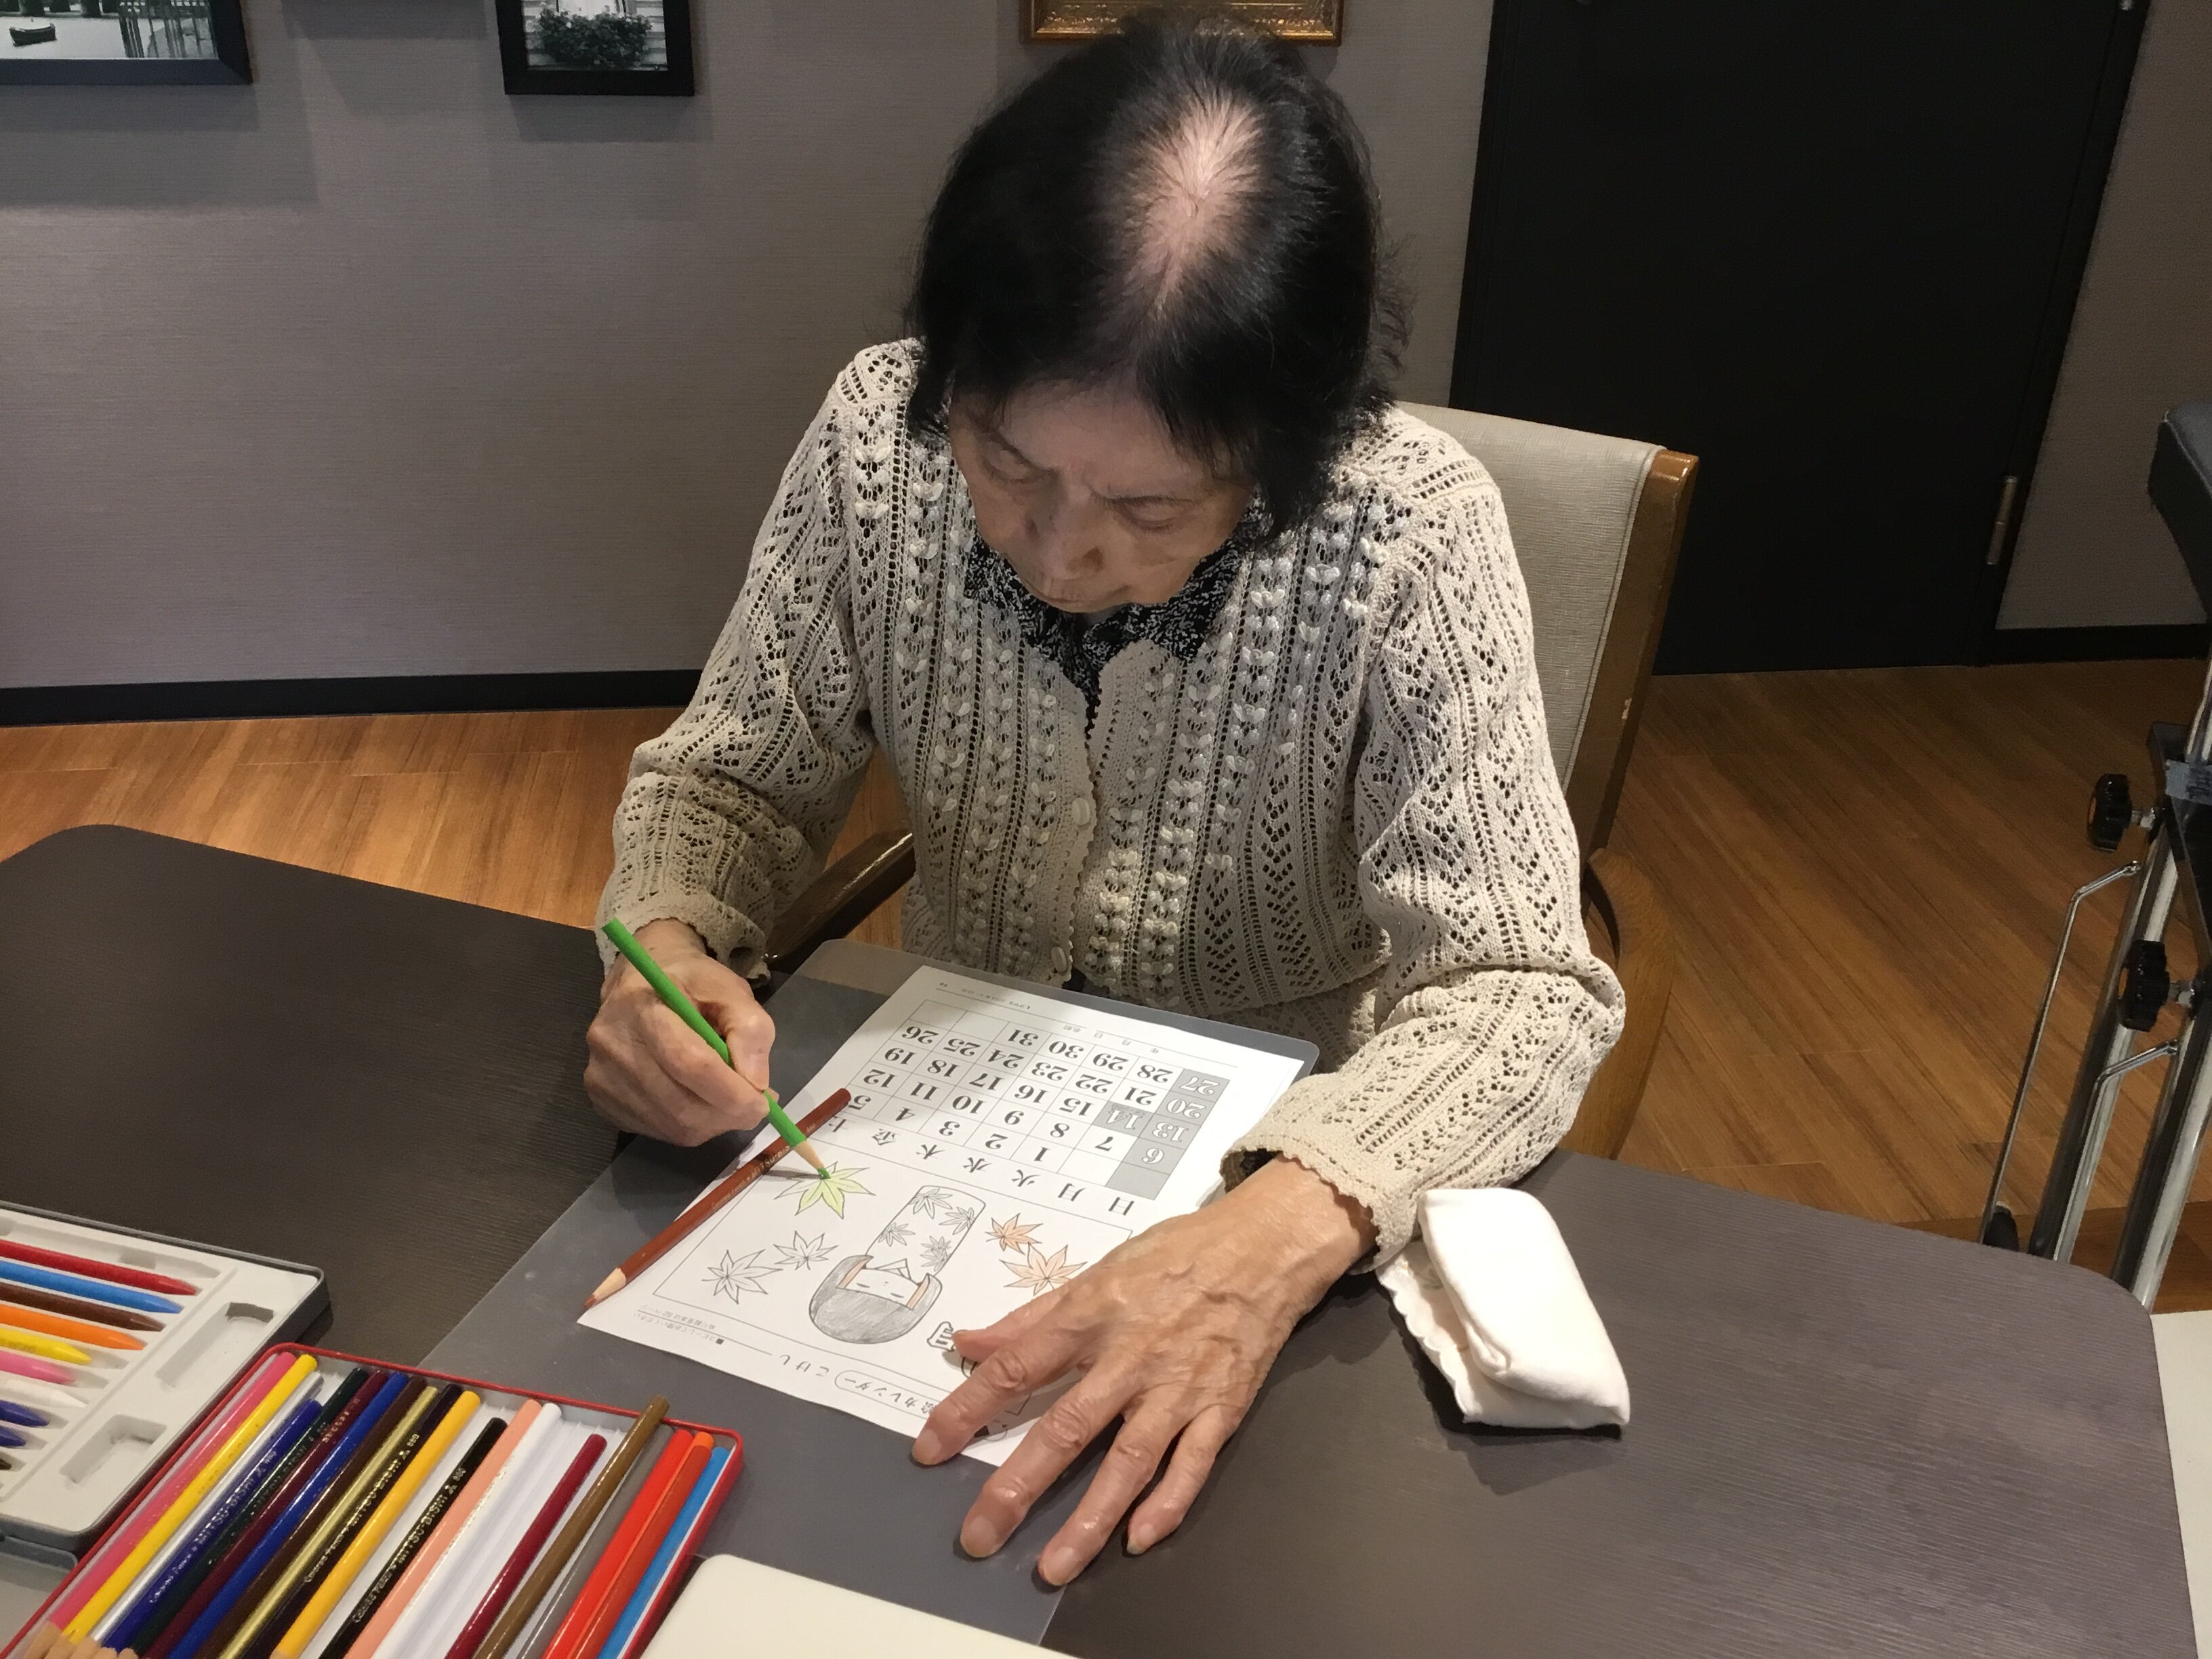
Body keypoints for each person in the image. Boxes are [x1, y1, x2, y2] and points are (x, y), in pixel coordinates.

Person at [583, 9, 1622, 1585]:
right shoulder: (876, 435)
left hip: (1277, 1171)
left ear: (1286, 457)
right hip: (937, 1127)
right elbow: (733, 776)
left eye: (1149, 505)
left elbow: (1522, 988)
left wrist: (1280, 1227)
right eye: (1008, 460)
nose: (1060, 550)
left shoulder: (1409, 536)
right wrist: (660, 950)